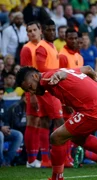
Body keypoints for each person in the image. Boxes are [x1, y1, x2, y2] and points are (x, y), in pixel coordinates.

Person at [16, 66, 97, 180]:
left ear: (35, 76)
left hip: (94, 109)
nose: (32, 91)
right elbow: (87, 68)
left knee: (56, 137)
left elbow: (63, 74)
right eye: (28, 91)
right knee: (77, 138)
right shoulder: (52, 74)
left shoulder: (48, 78)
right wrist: (93, 76)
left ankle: (57, 177)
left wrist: (59, 75)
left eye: (30, 87)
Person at [34, 19, 65, 168]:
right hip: (48, 88)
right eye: (49, 30)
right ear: (42, 31)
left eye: (54, 30)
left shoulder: (52, 46)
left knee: (45, 122)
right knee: (60, 122)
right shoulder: (42, 47)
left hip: (50, 87)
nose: (52, 32)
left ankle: (46, 159)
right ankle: (59, 157)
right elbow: (41, 69)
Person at [58, 28, 84, 167]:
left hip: (78, 99)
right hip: (67, 99)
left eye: (75, 38)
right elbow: (59, 80)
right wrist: (65, 100)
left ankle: (71, 157)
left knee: (73, 129)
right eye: (70, 38)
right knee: (66, 129)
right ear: (65, 39)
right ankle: (65, 157)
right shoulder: (62, 55)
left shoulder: (79, 57)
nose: (73, 41)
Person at [20, 21, 42, 168]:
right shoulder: (27, 49)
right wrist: (32, 95)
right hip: (34, 90)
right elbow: (26, 74)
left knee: (41, 123)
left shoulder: (45, 46)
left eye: (34, 30)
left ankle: (38, 157)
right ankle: (31, 159)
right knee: (32, 122)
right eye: (29, 31)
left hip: (44, 89)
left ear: (40, 30)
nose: (32, 33)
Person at [0, 87, 23, 167]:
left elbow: (5, 119)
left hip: (2, 129)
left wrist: (6, 128)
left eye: (1, 94)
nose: (0, 96)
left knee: (18, 135)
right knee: (0, 135)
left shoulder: (2, 104)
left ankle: (7, 160)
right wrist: (1, 128)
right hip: (0, 131)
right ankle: (1, 161)